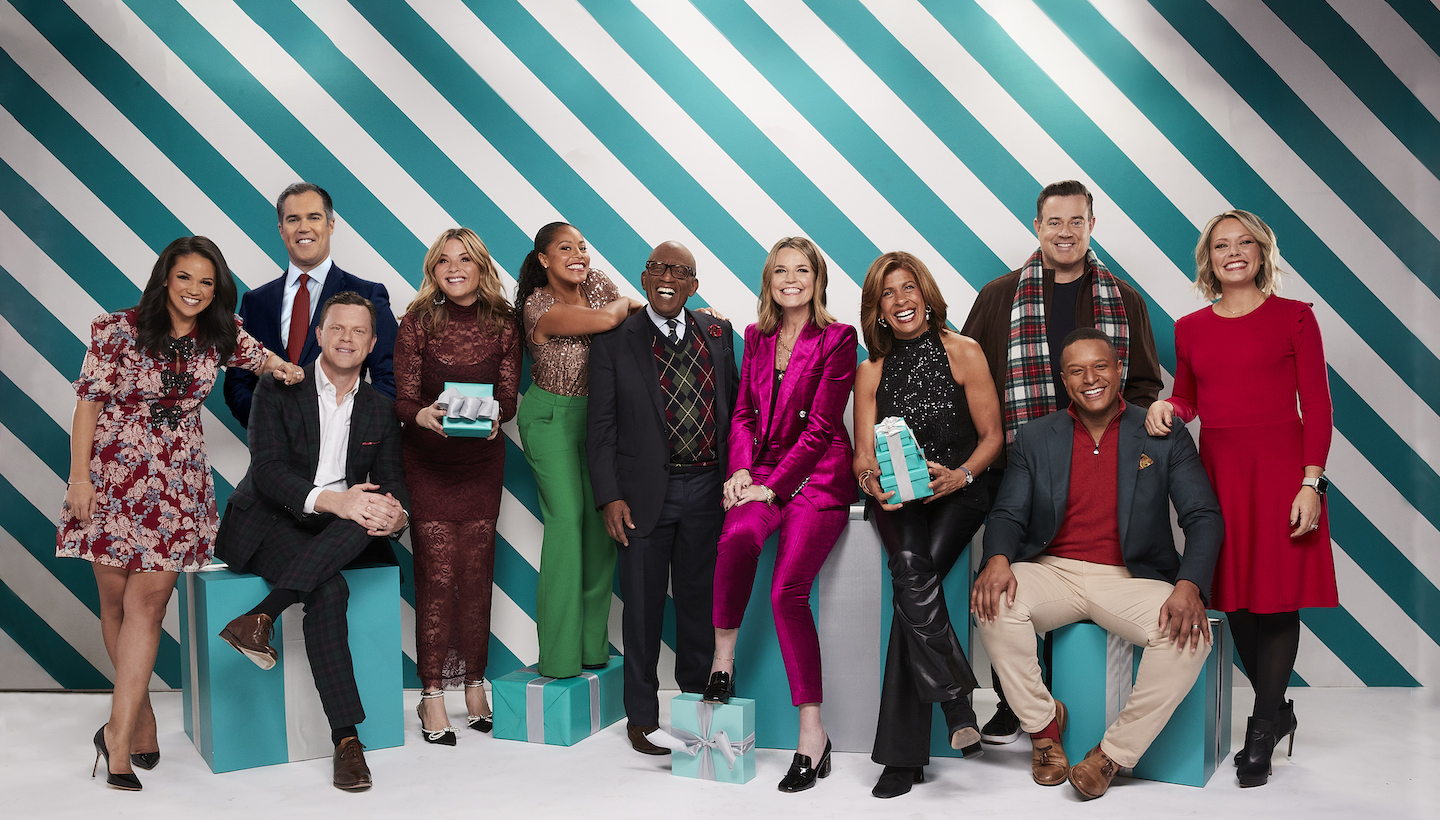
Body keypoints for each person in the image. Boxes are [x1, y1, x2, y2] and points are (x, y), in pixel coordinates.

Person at [57, 236, 303, 791]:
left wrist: (287, 370)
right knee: (116, 601)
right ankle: (138, 719)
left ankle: (117, 738)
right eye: (185, 277)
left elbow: (260, 358)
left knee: (150, 601)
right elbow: (89, 402)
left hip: (177, 483)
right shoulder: (115, 328)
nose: (194, 290)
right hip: (114, 478)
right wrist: (79, 480)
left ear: (217, 289)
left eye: (206, 281)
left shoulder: (221, 332)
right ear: (165, 278)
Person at [971, 328, 1223, 801]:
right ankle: (1045, 729)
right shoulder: (1035, 436)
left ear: (1119, 369)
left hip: (1132, 577)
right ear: (1063, 380)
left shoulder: (1161, 433)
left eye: (1100, 366)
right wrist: (998, 558)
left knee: (1190, 640)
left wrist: (1190, 584)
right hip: (1053, 569)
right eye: (1077, 370)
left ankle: (1110, 755)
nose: (1091, 378)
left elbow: (1203, 516)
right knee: (992, 603)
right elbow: (1007, 511)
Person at [960, 179, 1164, 744]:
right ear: (1037, 227)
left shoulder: (1124, 299)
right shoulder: (1000, 296)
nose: (1066, 232)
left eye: (1077, 221)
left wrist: (1128, 449)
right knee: (1010, 579)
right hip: (1017, 466)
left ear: (1091, 226)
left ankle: (1068, 704)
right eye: (1055, 222)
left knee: (1078, 570)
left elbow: (1144, 384)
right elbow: (970, 382)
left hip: (1100, 467)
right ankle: (1016, 703)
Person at [1145, 210, 1336, 787]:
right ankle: (1278, 711)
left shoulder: (1295, 318)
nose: (1233, 252)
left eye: (1244, 243)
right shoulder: (1190, 327)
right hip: (1221, 472)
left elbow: (1318, 406)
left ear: (1261, 253)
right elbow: (1189, 399)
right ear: (1209, 259)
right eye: (1221, 245)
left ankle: (1261, 725)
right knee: (1238, 601)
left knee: (1277, 598)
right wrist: (1166, 409)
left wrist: (1311, 482)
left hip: (1282, 470)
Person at [213, 292, 410, 792]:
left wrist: (396, 515)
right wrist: (339, 502)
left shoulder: (379, 409)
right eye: (337, 329)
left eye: (359, 331)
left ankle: (261, 617)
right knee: (331, 589)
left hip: (334, 530)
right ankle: (347, 740)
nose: (347, 338)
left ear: (370, 344)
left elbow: (391, 483)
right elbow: (269, 472)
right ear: (319, 335)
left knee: (368, 509)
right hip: (269, 518)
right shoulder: (278, 389)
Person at [703, 236, 857, 793]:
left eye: (802, 270)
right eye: (780, 271)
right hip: (764, 471)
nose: (791, 279)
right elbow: (743, 413)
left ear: (817, 278)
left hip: (816, 477)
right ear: (769, 280)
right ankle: (723, 661)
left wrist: (773, 488)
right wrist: (742, 472)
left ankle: (812, 735)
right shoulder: (757, 336)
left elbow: (820, 426)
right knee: (736, 536)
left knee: (786, 591)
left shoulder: (839, 338)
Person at [851, 252, 1003, 798]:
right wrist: (872, 482)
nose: (901, 299)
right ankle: (959, 702)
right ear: (878, 309)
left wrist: (959, 476)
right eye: (888, 293)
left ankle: (901, 757)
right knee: (914, 570)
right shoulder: (870, 370)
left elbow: (993, 439)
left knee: (912, 585)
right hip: (898, 500)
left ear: (926, 292)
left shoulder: (964, 352)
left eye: (908, 287)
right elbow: (861, 455)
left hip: (958, 491)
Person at [587, 241, 739, 755]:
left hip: (707, 489)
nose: (667, 277)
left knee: (699, 605)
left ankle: (700, 711)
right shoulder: (614, 341)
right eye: (657, 268)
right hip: (643, 495)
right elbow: (601, 427)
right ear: (645, 278)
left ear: (694, 285)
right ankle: (642, 720)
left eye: (680, 271)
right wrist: (608, 496)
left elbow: (735, 412)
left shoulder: (717, 334)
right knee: (642, 612)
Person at [394, 228, 522, 745]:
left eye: (464, 259)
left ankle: (474, 685)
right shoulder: (416, 323)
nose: (453, 267)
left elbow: (508, 399)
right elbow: (401, 402)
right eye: (443, 260)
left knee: (475, 576)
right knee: (437, 577)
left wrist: (496, 420)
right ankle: (431, 697)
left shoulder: (503, 324)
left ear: (480, 266)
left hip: (481, 463)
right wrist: (423, 414)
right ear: (433, 269)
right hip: (428, 465)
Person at [516, 222, 644, 679]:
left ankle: (592, 649)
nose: (579, 256)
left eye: (584, 248)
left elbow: (638, 315)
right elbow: (615, 317)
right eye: (565, 248)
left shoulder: (593, 283)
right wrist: (628, 303)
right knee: (568, 522)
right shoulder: (539, 305)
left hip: (596, 422)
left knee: (599, 528)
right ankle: (558, 656)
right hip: (550, 419)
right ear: (544, 260)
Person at [223, 181, 398, 426]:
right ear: (281, 229)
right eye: (293, 219)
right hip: (271, 455)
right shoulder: (255, 303)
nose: (303, 228)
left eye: (314, 217)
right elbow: (237, 383)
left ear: (331, 225)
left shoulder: (368, 295)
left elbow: (390, 380)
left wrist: (347, 431)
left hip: (344, 455)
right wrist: (267, 424)